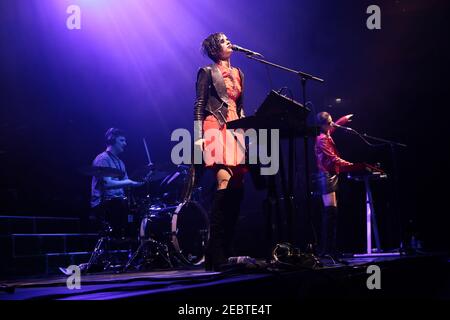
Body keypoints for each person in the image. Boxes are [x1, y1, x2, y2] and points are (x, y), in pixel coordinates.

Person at [194, 32, 247, 271]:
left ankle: (227, 247)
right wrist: (198, 137)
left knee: (237, 186)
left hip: (236, 127)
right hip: (215, 125)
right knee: (223, 180)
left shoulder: (239, 74)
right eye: (223, 40)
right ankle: (214, 251)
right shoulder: (207, 72)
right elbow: (199, 104)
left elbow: (241, 105)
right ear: (215, 49)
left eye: (228, 39)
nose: (229, 41)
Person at [314, 112, 353, 258]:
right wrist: (352, 165)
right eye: (329, 122)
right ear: (322, 125)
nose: (332, 124)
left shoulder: (327, 131)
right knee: (330, 214)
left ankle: (331, 248)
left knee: (332, 214)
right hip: (326, 177)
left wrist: (343, 120)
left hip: (331, 175)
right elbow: (334, 158)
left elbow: (334, 126)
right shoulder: (321, 139)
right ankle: (326, 250)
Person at [91, 128, 143, 239]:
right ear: (112, 140)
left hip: (117, 202)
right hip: (103, 203)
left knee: (140, 210)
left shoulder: (120, 162)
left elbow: (126, 184)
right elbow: (107, 184)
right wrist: (129, 182)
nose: (125, 143)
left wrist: (141, 181)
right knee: (121, 207)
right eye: (122, 140)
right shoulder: (103, 159)